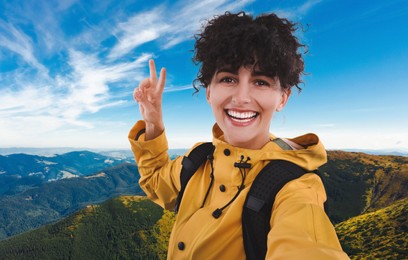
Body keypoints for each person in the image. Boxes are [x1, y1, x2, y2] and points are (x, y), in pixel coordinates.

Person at [129, 11, 349, 259]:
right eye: (229, 78)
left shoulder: (296, 188)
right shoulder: (199, 158)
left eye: (261, 82)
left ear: (283, 98)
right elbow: (158, 185)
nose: (242, 97)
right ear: (209, 92)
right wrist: (153, 122)